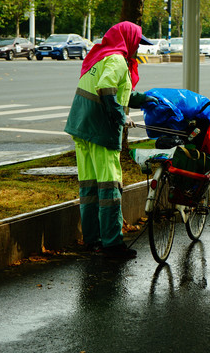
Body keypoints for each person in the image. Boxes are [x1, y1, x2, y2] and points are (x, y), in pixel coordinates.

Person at [64, 21, 155, 259]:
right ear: (128, 39)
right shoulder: (117, 60)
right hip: (100, 129)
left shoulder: (101, 57)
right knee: (109, 186)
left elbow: (117, 90)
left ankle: (92, 240)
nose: (138, 49)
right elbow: (106, 87)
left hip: (81, 127)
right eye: (137, 43)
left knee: (90, 186)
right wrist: (120, 117)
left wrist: (143, 99)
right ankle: (112, 244)